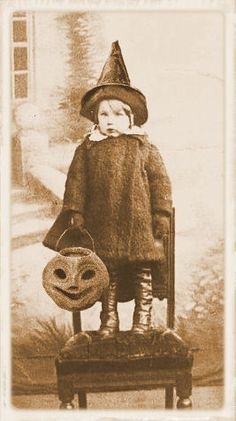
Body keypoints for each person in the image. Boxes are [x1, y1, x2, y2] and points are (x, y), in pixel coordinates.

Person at [43, 41, 172, 337]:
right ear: (96, 118)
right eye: (104, 115)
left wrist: (161, 213)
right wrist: (75, 211)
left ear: (130, 117)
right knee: (106, 276)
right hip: (103, 225)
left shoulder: (144, 147)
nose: (110, 121)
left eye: (117, 115)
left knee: (143, 274)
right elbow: (75, 181)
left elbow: (160, 182)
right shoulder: (87, 149)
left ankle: (143, 320)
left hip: (138, 225)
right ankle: (109, 320)